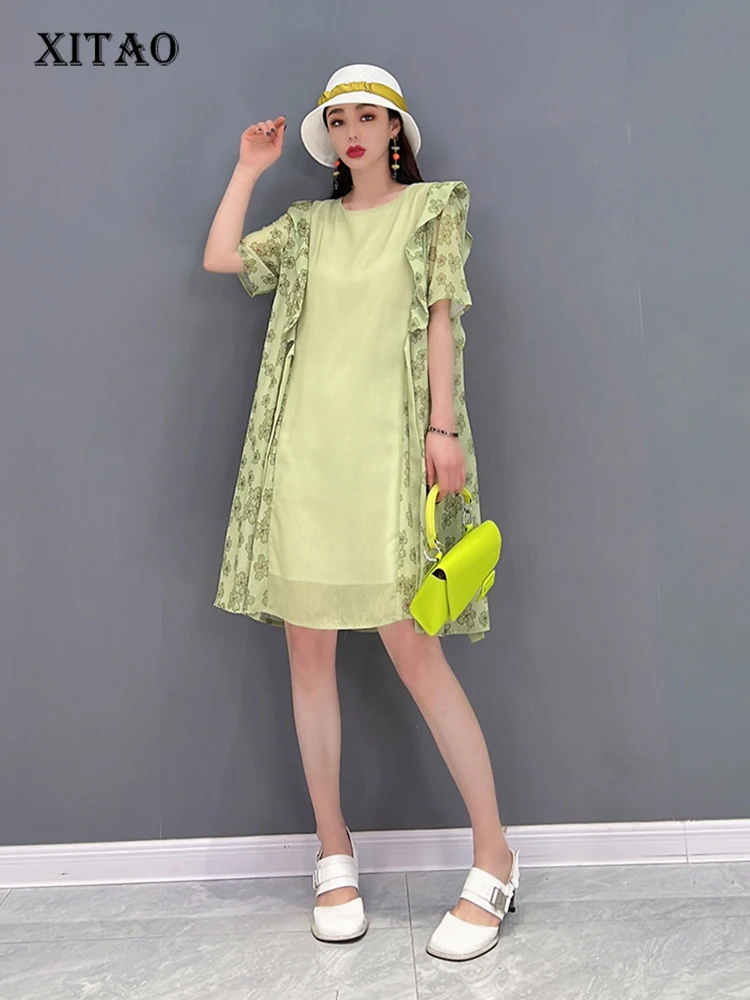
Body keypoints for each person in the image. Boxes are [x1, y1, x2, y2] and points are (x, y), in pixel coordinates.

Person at [203, 64, 519, 962]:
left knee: (414, 650)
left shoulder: (431, 211)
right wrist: (249, 169)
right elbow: (223, 258)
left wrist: (443, 428)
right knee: (308, 653)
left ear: (394, 133)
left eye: (366, 117)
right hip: (303, 456)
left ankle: (494, 855)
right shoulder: (306, 226)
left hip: (389, 457)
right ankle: (333, 851)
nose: (350, 131)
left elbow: (442, 320)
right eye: (337, 118)